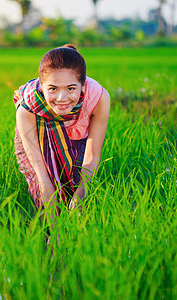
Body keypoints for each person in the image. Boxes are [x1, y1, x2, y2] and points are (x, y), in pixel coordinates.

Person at [14, 44, 110, 221]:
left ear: (83, 85)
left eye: (71, 88)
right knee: (47, 202)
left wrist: (80, 196)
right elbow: (41, 174)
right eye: (53, 89)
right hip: (37, 140)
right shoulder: (28, 106)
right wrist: (53, 214)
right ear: (41, 86)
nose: (62, 98)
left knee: (75, 191)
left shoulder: (98, 98)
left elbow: (92, 155)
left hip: (76, 139)